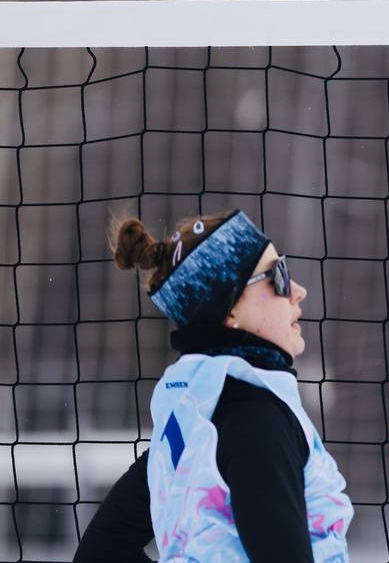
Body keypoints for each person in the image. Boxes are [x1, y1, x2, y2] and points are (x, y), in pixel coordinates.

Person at [73, 210, 352, 562]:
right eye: (278, 275)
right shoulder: (258, 421)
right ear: (229, 308)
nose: (297, 291)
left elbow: (101, 551)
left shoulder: (188, 423)